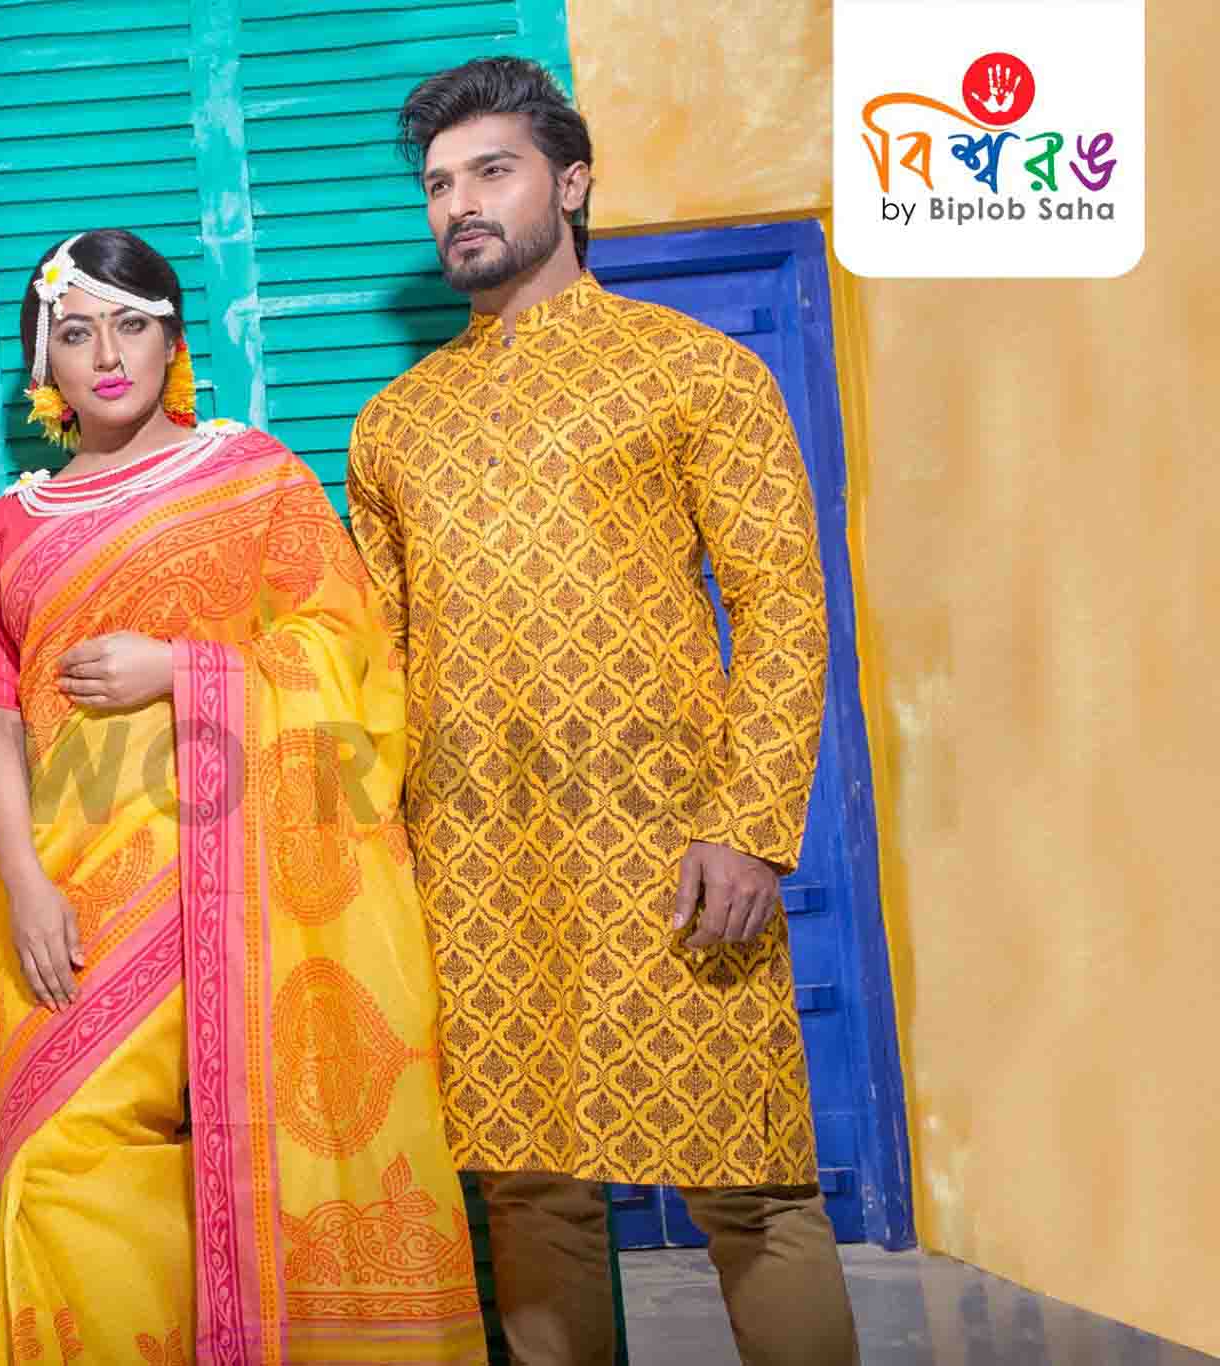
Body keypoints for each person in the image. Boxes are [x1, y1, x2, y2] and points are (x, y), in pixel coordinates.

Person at [347, 59, 859, 1365]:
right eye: (438, 184)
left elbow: (783, 607)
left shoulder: (692, 371)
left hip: (674, 843)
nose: (459, 204)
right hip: (474, 860)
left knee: (750, 1182)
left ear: (570, 183)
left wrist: (752, 825)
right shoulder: (395, 425)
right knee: (525, 1181)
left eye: (492, 171)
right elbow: (376, 658)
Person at [0, 228, 486, 1364]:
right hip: (72, 888)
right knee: (58, 1161)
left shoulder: (253, 478)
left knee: (259, 1142)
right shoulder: (7, 526)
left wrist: (181, 668)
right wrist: (25, 881)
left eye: (131, 325)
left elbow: (351, 653)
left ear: (173, 341)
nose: (107, 355)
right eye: (75, 333)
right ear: (42, 366)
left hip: (250, 882)